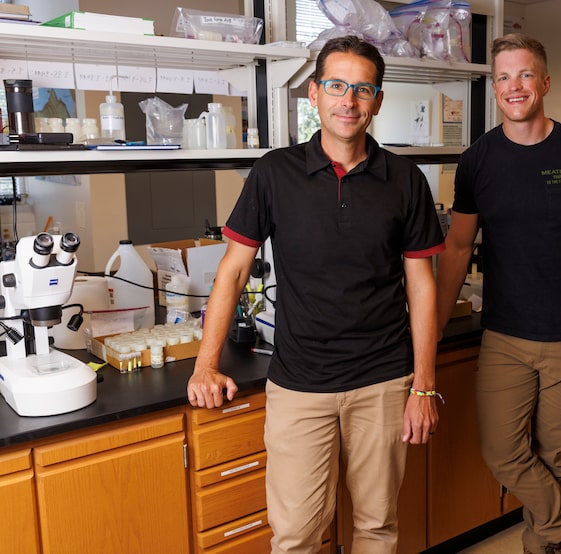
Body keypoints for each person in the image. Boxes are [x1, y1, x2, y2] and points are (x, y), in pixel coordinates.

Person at [186, 35, 446, 554]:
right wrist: (205, 364)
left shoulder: (405, 179)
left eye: (363, 89)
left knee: (376, 526)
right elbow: (233, 272)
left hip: (383, 379)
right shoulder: (273, 173)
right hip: (300, 384)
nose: (348, 100)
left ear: (377, 100)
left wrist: (423, 386)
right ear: (313, 93)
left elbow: (422, 286)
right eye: (336, 86)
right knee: (297, 535)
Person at [436, 33, 561, 554]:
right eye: (504, 78)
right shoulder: (476, 162)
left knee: (557, 458)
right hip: (505, 335)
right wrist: (434, 327)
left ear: (545, 82)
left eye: (525, 75)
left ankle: (545, 546)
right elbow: (458, 247)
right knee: (503, 453)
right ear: (495, 88)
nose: (515, 87)